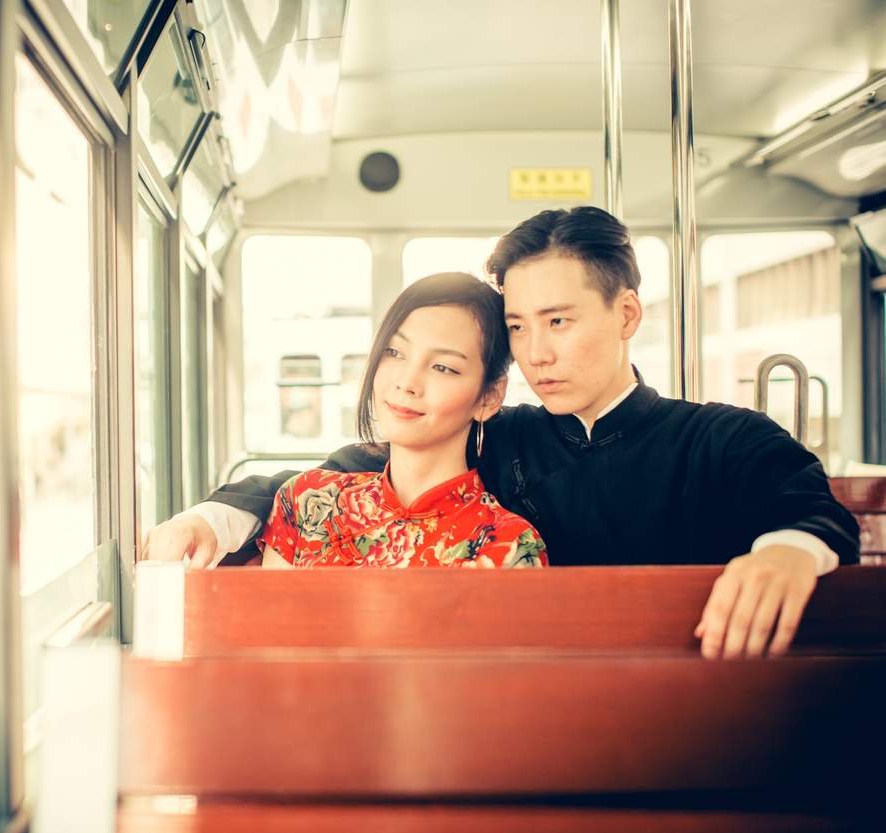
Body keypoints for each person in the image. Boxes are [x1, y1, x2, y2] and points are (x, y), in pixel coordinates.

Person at [142, 206, 859, 660]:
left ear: (626, 314)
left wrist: (786, 554)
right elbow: (338, 475)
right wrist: (214, 517)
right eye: (517, 327)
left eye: (558, 321)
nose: (536, 353)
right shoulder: (497, 438)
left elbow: (810, 509)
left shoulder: (717, 440)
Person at [260, 273, 546, 569]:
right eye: (394, 352)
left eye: (442, 367)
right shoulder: (307, 501)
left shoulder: (508, 547)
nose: (407, 382)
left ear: (489, 396)